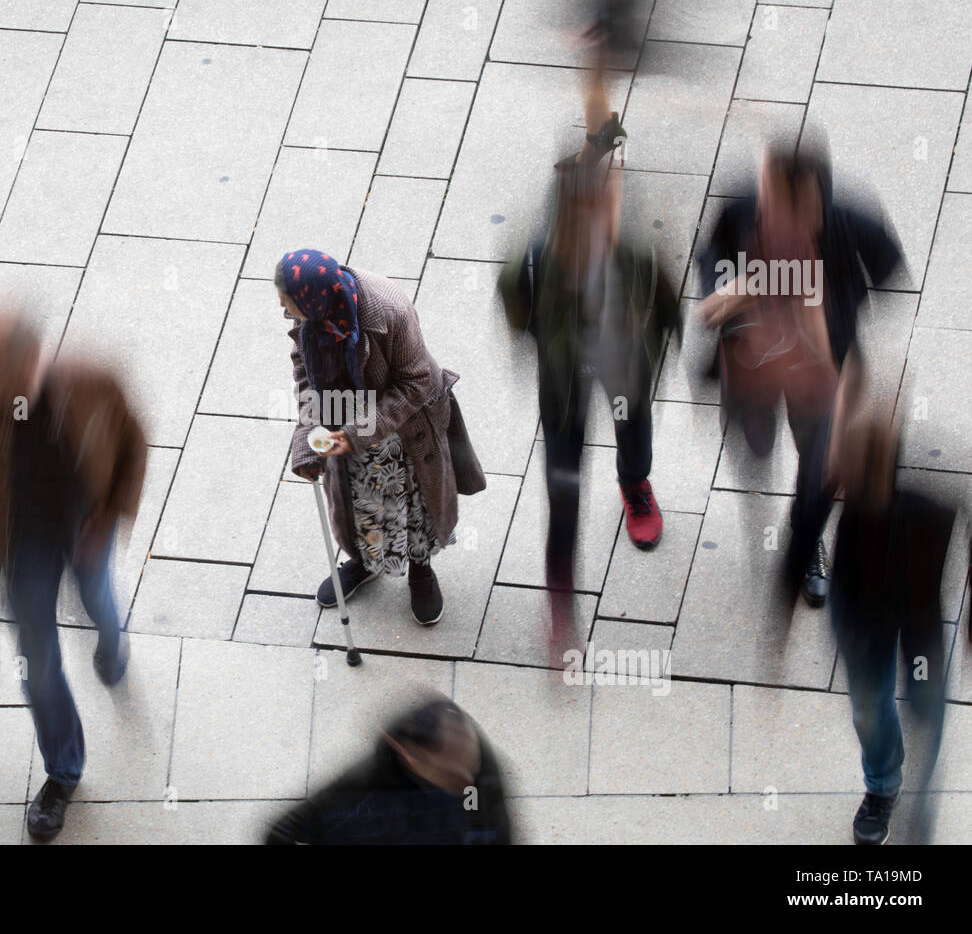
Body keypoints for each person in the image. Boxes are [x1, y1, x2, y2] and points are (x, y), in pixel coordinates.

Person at [0, 314, 147, 841]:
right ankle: (63, 771)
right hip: (21, 543)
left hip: (84, 527)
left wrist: (114, 511)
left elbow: (134, 444)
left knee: (100, 603)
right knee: (37, 662)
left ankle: (113, 649)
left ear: (32, 364)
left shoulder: (89, 379)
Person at [500, 44, 680, 656]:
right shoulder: (535, 258)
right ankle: (561, 608)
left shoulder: (634, 258)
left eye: (610, 206)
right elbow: (513, 304)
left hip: (621, 367)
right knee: (563, 492)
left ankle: (636, 486)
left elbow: (604, 132)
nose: (611, 211)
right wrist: (536, 341)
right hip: (564, 379)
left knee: (633, 433)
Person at [697, 141, 904, 607]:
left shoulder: (850, 221)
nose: (777, 213)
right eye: (771, 200)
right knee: (756, 444)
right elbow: (711, 266)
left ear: (818, 197)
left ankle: (807, 541)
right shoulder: (741, 208)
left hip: (818, 367)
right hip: (750, 363)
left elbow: (888, 268)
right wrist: (738, 289)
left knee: (816, 467)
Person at [280, 249, 485, 627]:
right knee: (358, 504)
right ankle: (363, 562)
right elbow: (304, 371)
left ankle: (420, 569)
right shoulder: (307, 314)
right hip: (347, 428)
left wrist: (359, 432)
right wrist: (309, 433)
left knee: (415, 505)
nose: (286, 310)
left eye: (291, 303)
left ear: (318, 297)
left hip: (403, 429)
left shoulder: (388, 310)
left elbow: (418, 381)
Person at [825, 356, 952, 845]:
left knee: (926, 702)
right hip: (860, 613)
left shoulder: (928, 509)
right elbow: (797, 556)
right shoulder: (836, 496)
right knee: (869, 706)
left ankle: (918, 794)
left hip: (915, 617)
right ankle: (884, 788)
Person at [264, 697, 511, 844]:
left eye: (472, 765)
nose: (469, 780)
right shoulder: (360, 788)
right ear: (409, 755)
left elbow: (495, 831)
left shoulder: (477, 776)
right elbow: (281, 832)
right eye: (453, 775)